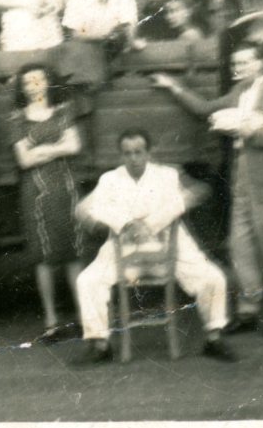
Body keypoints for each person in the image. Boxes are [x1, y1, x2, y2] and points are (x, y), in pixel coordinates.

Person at [152, 41, 263, 337]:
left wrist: (254, 133)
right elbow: (205, 109)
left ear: (261, 63)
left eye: (245, 62)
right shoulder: (239, 92)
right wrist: (173, 87)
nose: (239, 68)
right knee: (240, 248)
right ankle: (248, 310)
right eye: (235, 63)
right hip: (243, 180)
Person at [71, 129, 236, 366]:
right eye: (127, 153)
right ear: (121, 155)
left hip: (169, 247)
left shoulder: (166, 175)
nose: (133, 158)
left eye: (138, 152)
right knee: (87, 280)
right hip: (125, 249)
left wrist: (150, 224)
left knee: (213, 277)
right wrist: (125, 223)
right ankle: (100, 345)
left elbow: (184, 199)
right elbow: (88, 208)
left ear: (149, 153)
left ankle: (214, 338)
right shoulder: (110, 179)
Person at [9, 63, 84, 341]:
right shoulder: (17, 119)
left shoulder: (63, 112)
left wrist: (41, 149)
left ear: (48, 83)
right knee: (43, 256)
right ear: (22, 88)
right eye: (27, 82)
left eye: (38, 80)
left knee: (73, 252)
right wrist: (57, 148)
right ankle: (51, 320)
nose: (33, 86)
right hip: (37, 194)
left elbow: (75, 146)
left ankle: (84, 315)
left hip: (66, 188)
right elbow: (24, 160)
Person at [137, 0, 206, 42]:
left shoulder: (189, 35)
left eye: (174, 11)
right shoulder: (188, 32)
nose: (168, 17)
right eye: (167, 12)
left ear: (188, 11)